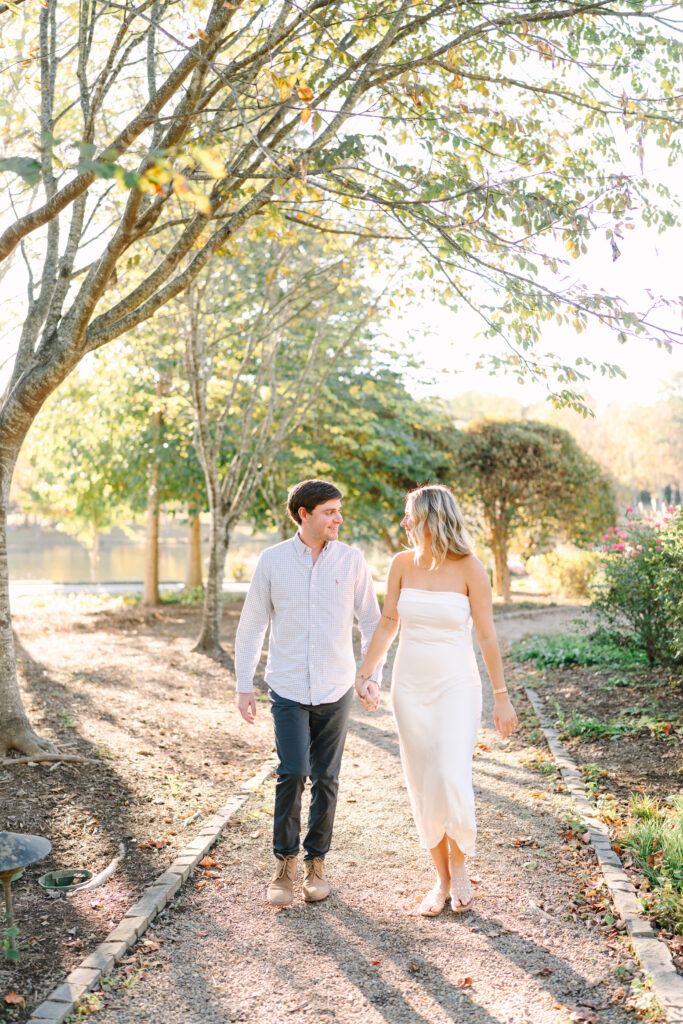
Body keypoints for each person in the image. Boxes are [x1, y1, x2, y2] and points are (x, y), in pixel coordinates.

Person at [355, 484, 517, 916]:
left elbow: (486, 635)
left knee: (449, 772)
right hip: (410, 687)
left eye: (410, 515)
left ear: (431, 518)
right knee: (423, 781)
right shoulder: (401, 564)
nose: (404, 523)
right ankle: (441, 880)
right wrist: (366, 672)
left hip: (457, 686)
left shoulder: (470, 568)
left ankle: (460, 866)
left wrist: (502, 697)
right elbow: (389, 621)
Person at [235, 478, 383, 907]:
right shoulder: (272, 561)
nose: (339, 518)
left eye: (339, 510)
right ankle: (285, 865)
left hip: (337, 686)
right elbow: (251, 625)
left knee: (327, 778)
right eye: (330, 512)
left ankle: (317, 863)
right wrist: (244, 683)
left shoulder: (352, 561)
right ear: (304, 514)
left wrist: (371, 674)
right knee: (293, 771)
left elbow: (372, 622)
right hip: (287, 686)